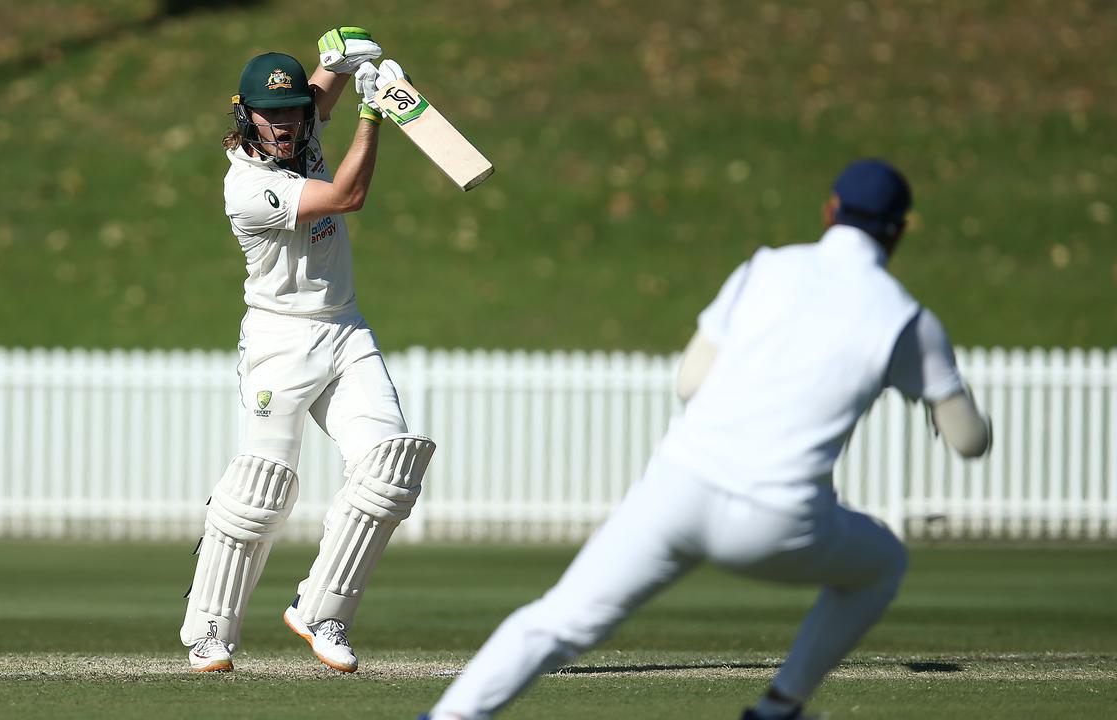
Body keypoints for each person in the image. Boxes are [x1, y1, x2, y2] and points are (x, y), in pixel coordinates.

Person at [424, 159, 992, 719]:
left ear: (830, 211)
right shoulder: (909, 321)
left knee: (559, 620)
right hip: (779, 519)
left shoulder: (764, 268)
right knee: (883, 561)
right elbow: (968, 442)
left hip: (676, 490)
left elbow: (690, 382)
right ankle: (780, 707)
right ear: (899, 232)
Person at [179, 27, 437, 675]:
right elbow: (347, 197)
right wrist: (373, 115)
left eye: (295, 111)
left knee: (388, 468)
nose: (287, 125)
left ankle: (322, 612)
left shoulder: (304, 126)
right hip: (279, 341)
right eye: (272, 115)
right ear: (245, 118)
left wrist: (343, 62)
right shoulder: (247, 187)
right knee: (260, 491)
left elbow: (320, 95)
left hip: (345, 331)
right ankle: (209, 632)